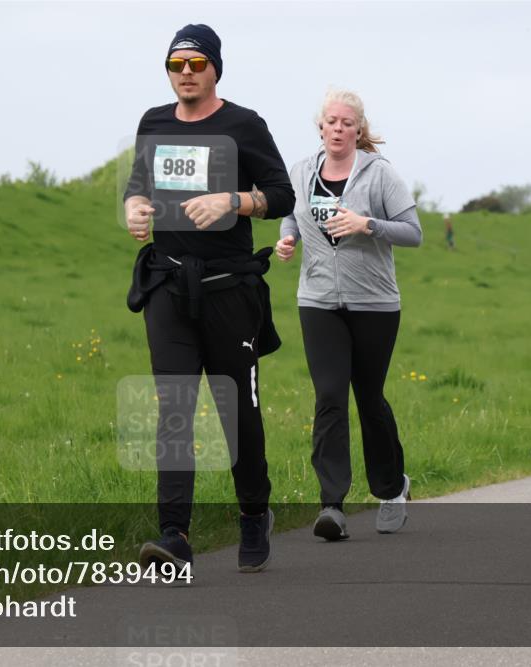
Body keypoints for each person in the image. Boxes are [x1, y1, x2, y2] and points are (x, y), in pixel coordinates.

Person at [124, 24, 295, 572]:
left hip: (229, 291)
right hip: (169, 288)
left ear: (215, 67)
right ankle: (173, 535)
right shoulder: (152, 123)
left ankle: (252, 514)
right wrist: (133, 207)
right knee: (174, 409)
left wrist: (235, 202)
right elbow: (139, 185)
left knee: (236, 412)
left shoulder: (244, 125)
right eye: (177, 64)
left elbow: (282, 193)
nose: (186, 73)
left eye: (196, 64)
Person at [275, 89, 421, 541]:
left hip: (374, 303)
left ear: (359, 130)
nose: (338, 129)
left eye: (346, 123)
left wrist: (368, 224)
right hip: (318, 301)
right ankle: (332, 504)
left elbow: (413, 233)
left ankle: (392, 488)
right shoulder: (302, 172)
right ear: (320, 127)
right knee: (330, 396)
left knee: (369, 397)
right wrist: (288, 239)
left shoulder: (380, 176)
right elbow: (292, 216)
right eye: (331, 122)